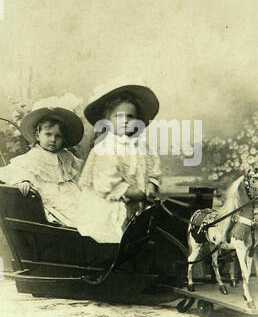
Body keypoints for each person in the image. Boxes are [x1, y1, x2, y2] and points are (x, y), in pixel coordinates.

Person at [76, 83, 162, 243]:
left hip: (138, 204)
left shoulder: (141, 147)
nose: (125, 121)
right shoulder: (105, 147)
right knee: (115, 231)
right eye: (118, 116)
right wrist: (137, 194)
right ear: (107, 120)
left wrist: (151, 185)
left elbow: (153, 170)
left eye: (130, 116)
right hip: (108, 203)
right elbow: (106, 185)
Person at [0, 106, 84, 227]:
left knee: (87, 211)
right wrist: (24, 181)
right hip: (50, 196)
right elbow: (20, 170)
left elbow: (81, 169)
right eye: (48, 134)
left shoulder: (67, 155)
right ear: (38, 135)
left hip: (72, 194)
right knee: (69, 216)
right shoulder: (34, 155)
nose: (53, 140)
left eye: (58, 136)